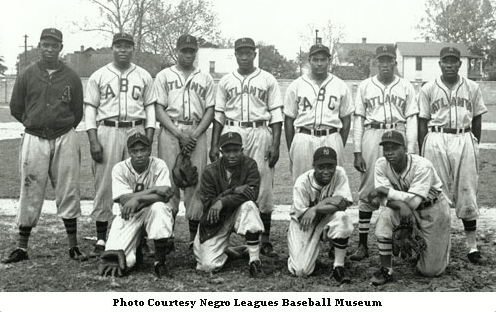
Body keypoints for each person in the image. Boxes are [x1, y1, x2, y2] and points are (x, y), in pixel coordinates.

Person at [3, 28, 87, 263]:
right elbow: (16, 108)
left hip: (64, 136)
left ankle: (73, 246)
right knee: (30, 188)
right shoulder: (27, 74)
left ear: (61, 47)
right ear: (39, 46)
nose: (50, 49)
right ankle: (22, 247)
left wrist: (61, 126)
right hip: (35, 137)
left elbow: (77, 111)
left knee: (68, 188)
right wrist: (35, 124)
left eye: (54, 45)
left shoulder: (71, 76)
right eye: (46, 45)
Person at [84, 33, 156, 257]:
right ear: (112, 48)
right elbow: (90, 109)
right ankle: (101, 236)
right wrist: (93, 138)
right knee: (105, 182)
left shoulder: (143, 75)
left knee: (139, 183)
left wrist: (149, 136)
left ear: (133, 49)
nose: (123, 50)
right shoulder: (99, 75)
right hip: (108, 129)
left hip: (136, 129)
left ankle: (140, 235)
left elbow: (150, 109)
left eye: (127, 46)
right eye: (119, 46)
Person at [210, 38, 282, 257]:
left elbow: (276, 114)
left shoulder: (267, 78)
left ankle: (265, 238)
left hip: (260, 132)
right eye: (240, 52)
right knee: (230, 182)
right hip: (233, 132)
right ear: (235, 54)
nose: (244, 56)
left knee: (263, 184)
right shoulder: (225, 80)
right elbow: (219, 115)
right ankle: (226, 235)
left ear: (254, 54)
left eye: (248, 52)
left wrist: (276, 144)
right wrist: (214, 144)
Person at [418, 46, 487, 264]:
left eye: (453, 61)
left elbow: (477, 118)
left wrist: (474, 142)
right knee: (436, 192)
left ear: (460, 64)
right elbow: (422, 121)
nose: (450, 65)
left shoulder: (472, 87)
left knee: (467, 189)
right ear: (440, 64)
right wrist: (423, 148)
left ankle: (472, 246)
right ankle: (440, 243)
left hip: (463, 137)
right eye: (446, 61)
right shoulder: (428, 88)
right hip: (436, 137)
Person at [350, 45, 419, 261]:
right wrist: (357, 150)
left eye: (389, 60)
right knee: (368, 188)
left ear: (395, 63)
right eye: (382, 60)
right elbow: (359, 119)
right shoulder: (365, 86)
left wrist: (411, 146)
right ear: (376, 63)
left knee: (404, 185)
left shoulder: (406, 85)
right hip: (373, 132)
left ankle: (407, 235)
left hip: (398, 132)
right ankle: (362, 244)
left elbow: (412, 119)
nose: (386, 64)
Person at [154, 34, 214, 248]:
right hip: (171, 130)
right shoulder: (163, 75)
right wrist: (179, 134)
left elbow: (210, 110)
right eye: (184, 50)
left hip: (196, 129)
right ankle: (166, 235)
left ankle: (193, 238)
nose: (188, 54)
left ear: (195, 52)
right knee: (168, 181)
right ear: (177, 51)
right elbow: (159, 109)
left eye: (191, 51)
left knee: (195, 183)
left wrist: (194, 135)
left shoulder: (205, 77)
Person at [368, 130, 451, 285]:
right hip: (402, 209)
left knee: (430, 271)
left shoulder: (422, 165)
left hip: (433, 209)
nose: (389, 152)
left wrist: (387, 192)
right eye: (386, 148)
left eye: (394, 148)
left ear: (405, 149)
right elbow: (383, 198)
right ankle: (386, 269)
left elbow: (413, 202)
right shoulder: (381, 164)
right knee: (384, 220)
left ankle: (439, 246)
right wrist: (399, 204)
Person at [102, 132, 175, 278]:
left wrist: (139, 200)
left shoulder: (159, 164)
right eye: (135, 151)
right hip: (128, 215)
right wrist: (154, 189)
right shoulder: (119, 168)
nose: (139, 154)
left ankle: (159, 263)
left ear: (149, 150)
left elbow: (165, 195)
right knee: (121, 260)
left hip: (151, 211)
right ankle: (137, 251)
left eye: (143, 150)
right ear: (129, 152)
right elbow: (123, 199)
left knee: (160, 208)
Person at [194, 132, 264, 277]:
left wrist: (222, 200)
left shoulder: (250, 164)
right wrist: (234, 191)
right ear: (221, 152)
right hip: (216, 220)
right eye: (227, 151)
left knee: (249, 205)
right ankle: (231, 251)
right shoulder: (210, 171)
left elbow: (252, 194)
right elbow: (208, 205)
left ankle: (254, 260)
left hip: (239, 213)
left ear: (242, 151)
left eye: (235, 151)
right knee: (207, 266)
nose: (232, 155)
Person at [284, 44, 354, 184]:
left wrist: (338, 142)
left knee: (333, 184)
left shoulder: (340, 85)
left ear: (329, 60)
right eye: (315, 59)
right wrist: (293, 147)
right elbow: (289, 120)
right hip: (304, 137)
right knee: (302, 182)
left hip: (332, 136)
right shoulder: (296, 85)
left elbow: (346, 121)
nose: (319, 63)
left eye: (323, 59)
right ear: (309, 60)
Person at [287, 147, 354, 283]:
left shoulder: (340, 173)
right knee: (301, 270)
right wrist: (329, 202)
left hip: (326, 219)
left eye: (330, 167)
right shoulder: (302, 182)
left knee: (343, 218)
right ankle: (295, 245)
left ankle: (338, 266)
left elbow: (343, 203)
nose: (326, 171)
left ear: (336, 165)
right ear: (313, 166)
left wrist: (316, 208)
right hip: (304, 223)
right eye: (321, 167)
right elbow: (303, 214)